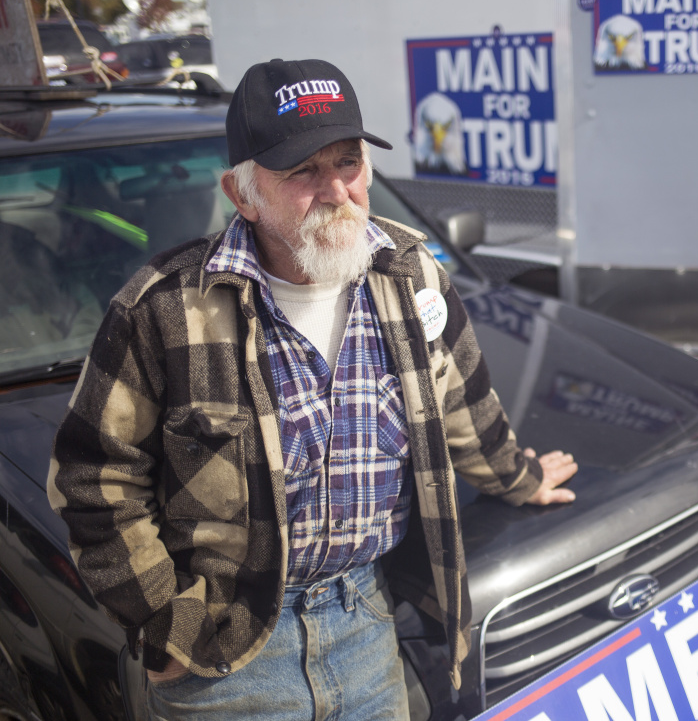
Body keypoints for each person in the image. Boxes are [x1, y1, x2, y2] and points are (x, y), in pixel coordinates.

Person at [47, 58, 578, 720]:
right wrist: (167, 629)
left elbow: (460, 402)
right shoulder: (166, 309)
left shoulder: (411, 277)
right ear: (242, 195)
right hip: (228, 655)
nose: (335, 190)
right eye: (301, 171)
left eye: (347, 162)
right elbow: (93, 480)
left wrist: (519, 476)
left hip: (369, 624)